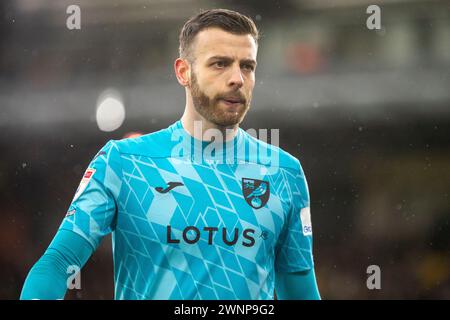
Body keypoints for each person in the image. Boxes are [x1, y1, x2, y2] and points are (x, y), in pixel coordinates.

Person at [20, 8, 320, 300]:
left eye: (247, 66)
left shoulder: (283, 172)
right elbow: (57, 264)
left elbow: (301, 293)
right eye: (220, 63)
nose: (237, 79)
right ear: (183, 72)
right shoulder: (124, 163)